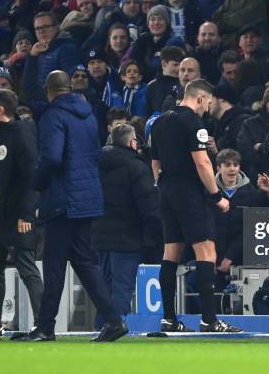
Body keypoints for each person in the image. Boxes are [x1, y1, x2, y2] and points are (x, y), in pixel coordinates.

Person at [22, 71, 127, 342]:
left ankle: (45, 327)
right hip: (88, 196)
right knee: (84, 261)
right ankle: (114, 321)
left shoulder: (53, 115)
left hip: (62, 198)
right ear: (69, 88)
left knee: (54, 264)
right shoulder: (89, 114)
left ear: (49, 91)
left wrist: (37, 183)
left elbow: (52, 157)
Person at [150, 78, 242, 333]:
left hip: (166, 191)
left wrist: (163, 186)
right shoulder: (193, 122)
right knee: (207, 252)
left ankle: (168, 319)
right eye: (207, 103)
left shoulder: (159, 121)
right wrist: (216, 196)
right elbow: (202, 162)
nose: (206, 108)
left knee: (171, 254)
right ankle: (209, 320)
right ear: (200, 98)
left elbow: (154, 162)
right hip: (189, 192)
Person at [0, 89, 43, 340]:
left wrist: (26, 215)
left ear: (0, 110)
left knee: (27, 268)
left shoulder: (22, 134)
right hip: (1, 217)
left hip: (20, 216)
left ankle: (43, 324)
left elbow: (32, 177)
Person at [91, 123, 162, 326]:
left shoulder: (96, 163)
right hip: (127, 237)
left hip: (99, 234)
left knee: (104, 287)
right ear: (132, 142)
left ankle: (100, 328)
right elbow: (148, 205)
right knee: (122, 287)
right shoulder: (136, 167)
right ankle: (116, 328)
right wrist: (155, 236)